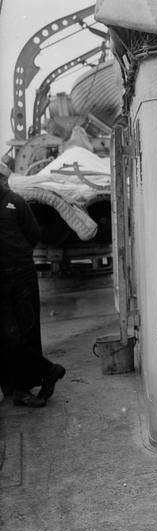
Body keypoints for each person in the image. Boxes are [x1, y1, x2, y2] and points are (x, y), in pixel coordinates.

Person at [0, 160, 65, 407]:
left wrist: (18, 259)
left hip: (20, 277)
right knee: (8, 334)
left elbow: (34, 234)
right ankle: (15, 384)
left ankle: (26, 385)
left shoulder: (15, 202)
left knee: (23, 332)